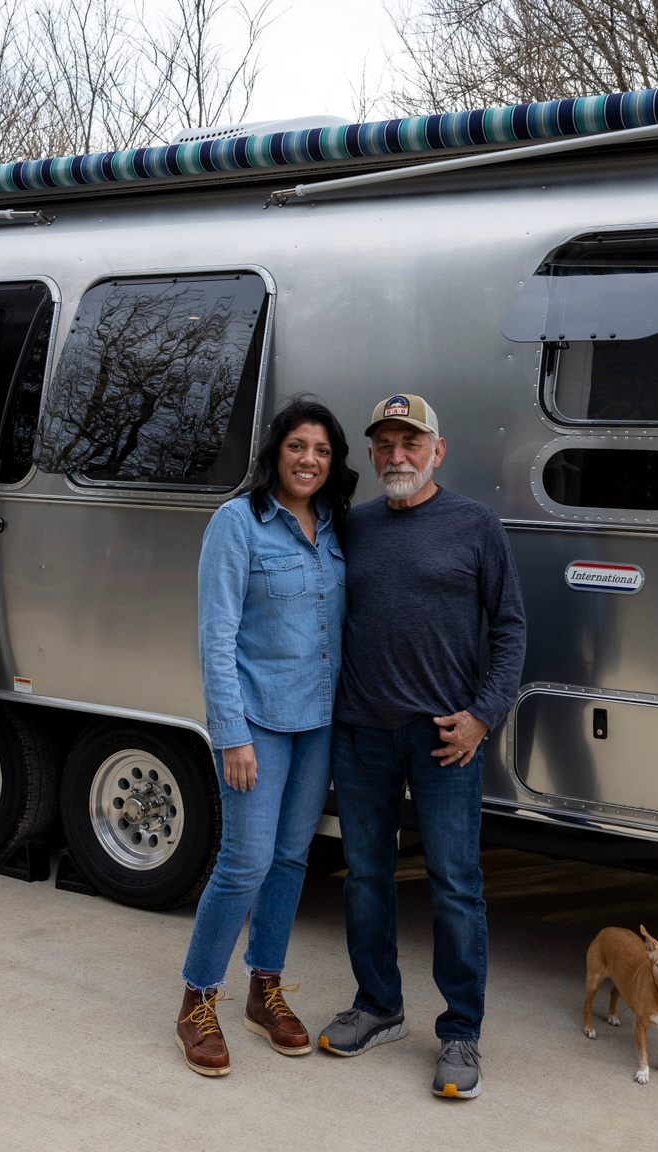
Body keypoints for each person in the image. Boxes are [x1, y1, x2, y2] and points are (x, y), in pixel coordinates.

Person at [315, 393, 526, 1100]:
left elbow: (510, 629)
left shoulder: (476, 525)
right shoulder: (354, 527)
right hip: (362, 732)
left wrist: (482, 717)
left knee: (456, 888)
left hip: (445, 741)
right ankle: (378, 1007)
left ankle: (461, 1031)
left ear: (438, 450)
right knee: (367, 878)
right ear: (371, 456)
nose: (397, 456)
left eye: (412, 443)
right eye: (385, 445)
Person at [176, 396, 358, 1077]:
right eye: (297, 447)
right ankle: (197, 1000)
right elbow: (215, 637)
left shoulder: (336, 527)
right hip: (257, 723)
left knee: (290, 861)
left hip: (319, 722)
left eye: (322, 450)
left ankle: (265, 990)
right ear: (275, 452)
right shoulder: (238, 523)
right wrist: (230, 733)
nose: (309, 460)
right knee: (244, 862)